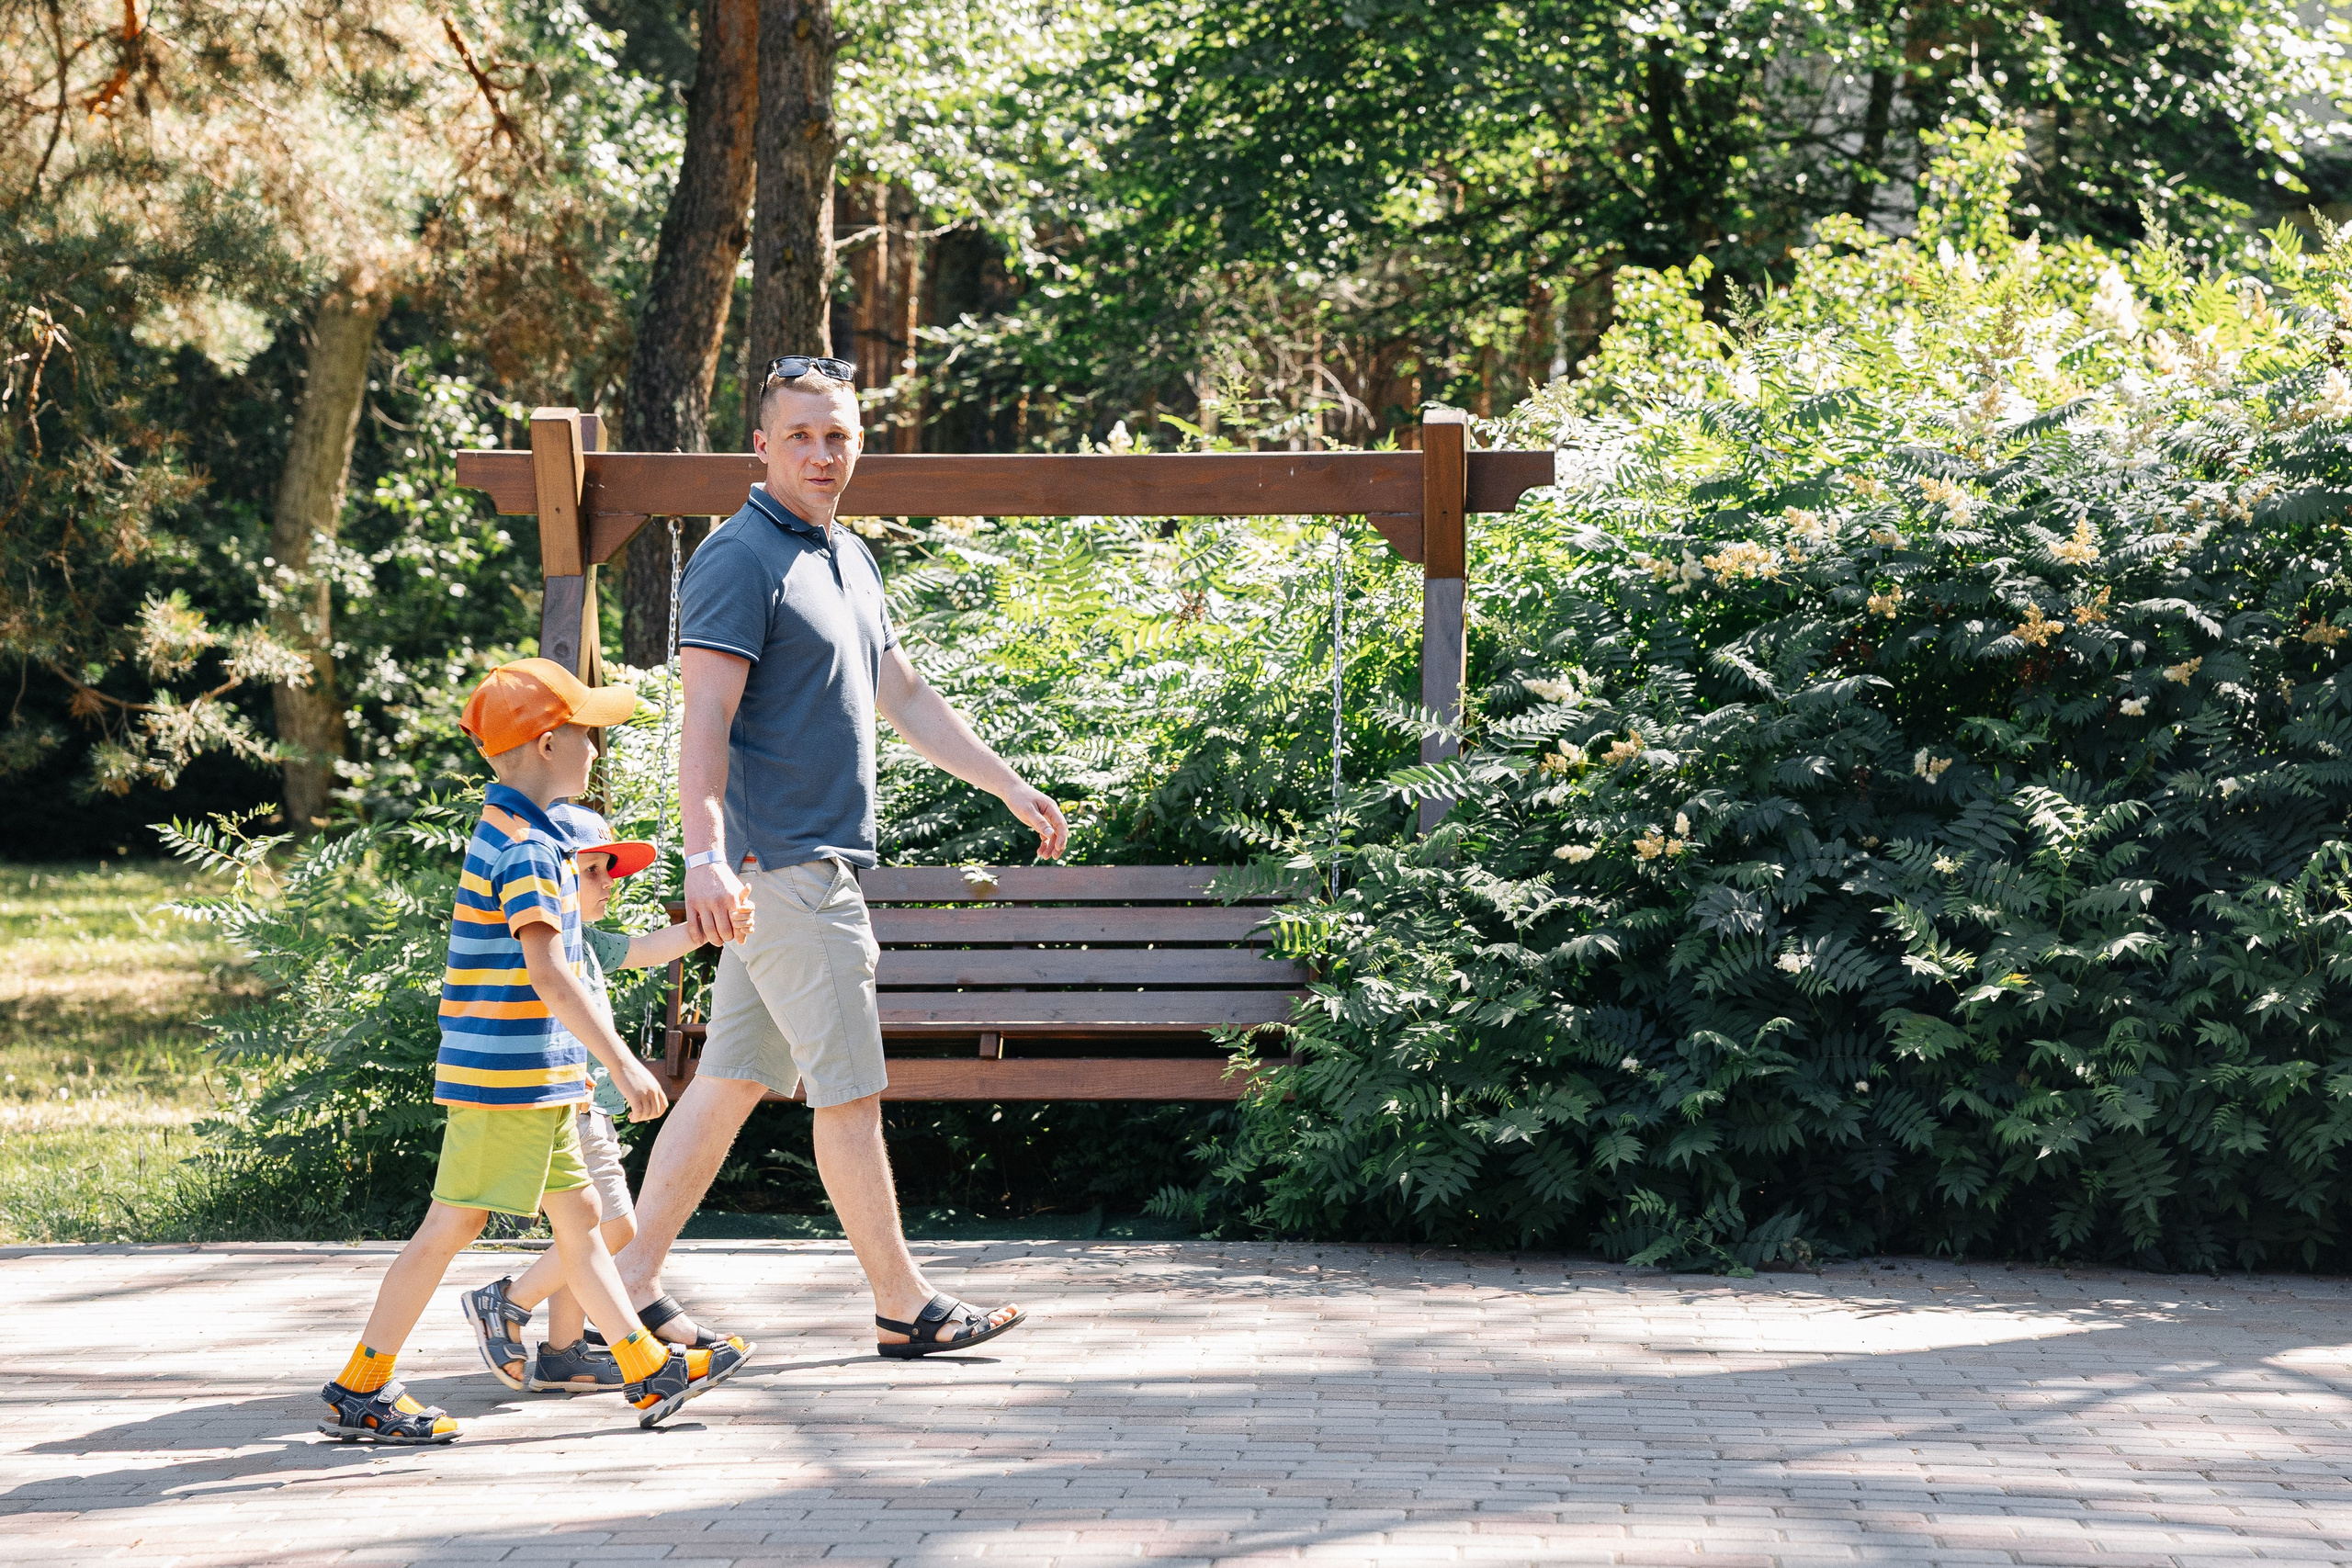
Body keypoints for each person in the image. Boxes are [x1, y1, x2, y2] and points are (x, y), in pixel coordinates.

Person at [614, 352, 1069, 1358]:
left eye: (839, 436)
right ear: (762, 446)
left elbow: (903, 696)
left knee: (727, 1081)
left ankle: (607, 1291)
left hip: (803, 869)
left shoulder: (846, 557)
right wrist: (703, 855)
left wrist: (1002, 780)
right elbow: (703, 720)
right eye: (802, 436)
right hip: (780, 869)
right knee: (851, 1092)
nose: (822, 454)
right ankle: (902, 1303)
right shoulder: (738, 558)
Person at [315, 659, 748, 1444]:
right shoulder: (528, 849)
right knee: (451, 1225)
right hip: (511, 1075)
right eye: (588, 733)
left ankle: (645, 1368)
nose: (595, 748)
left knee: (581, 1224)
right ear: (549, 744)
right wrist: (620, 1057)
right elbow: (548, 969)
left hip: (531, 1077)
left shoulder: (521, 834)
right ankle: (361, 1384)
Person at [458, 803, 749, 1393]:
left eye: (610, 873)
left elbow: (647, 949)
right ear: (554, 873)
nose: (607, 885)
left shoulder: (586, 943)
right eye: (592, 871)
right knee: (615, 1228)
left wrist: (708, 928)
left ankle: (565, 1353)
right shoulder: (544, 946)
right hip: (562, 1101)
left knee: (585, 1232)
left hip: (587, 1105)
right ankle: (507, 1302)